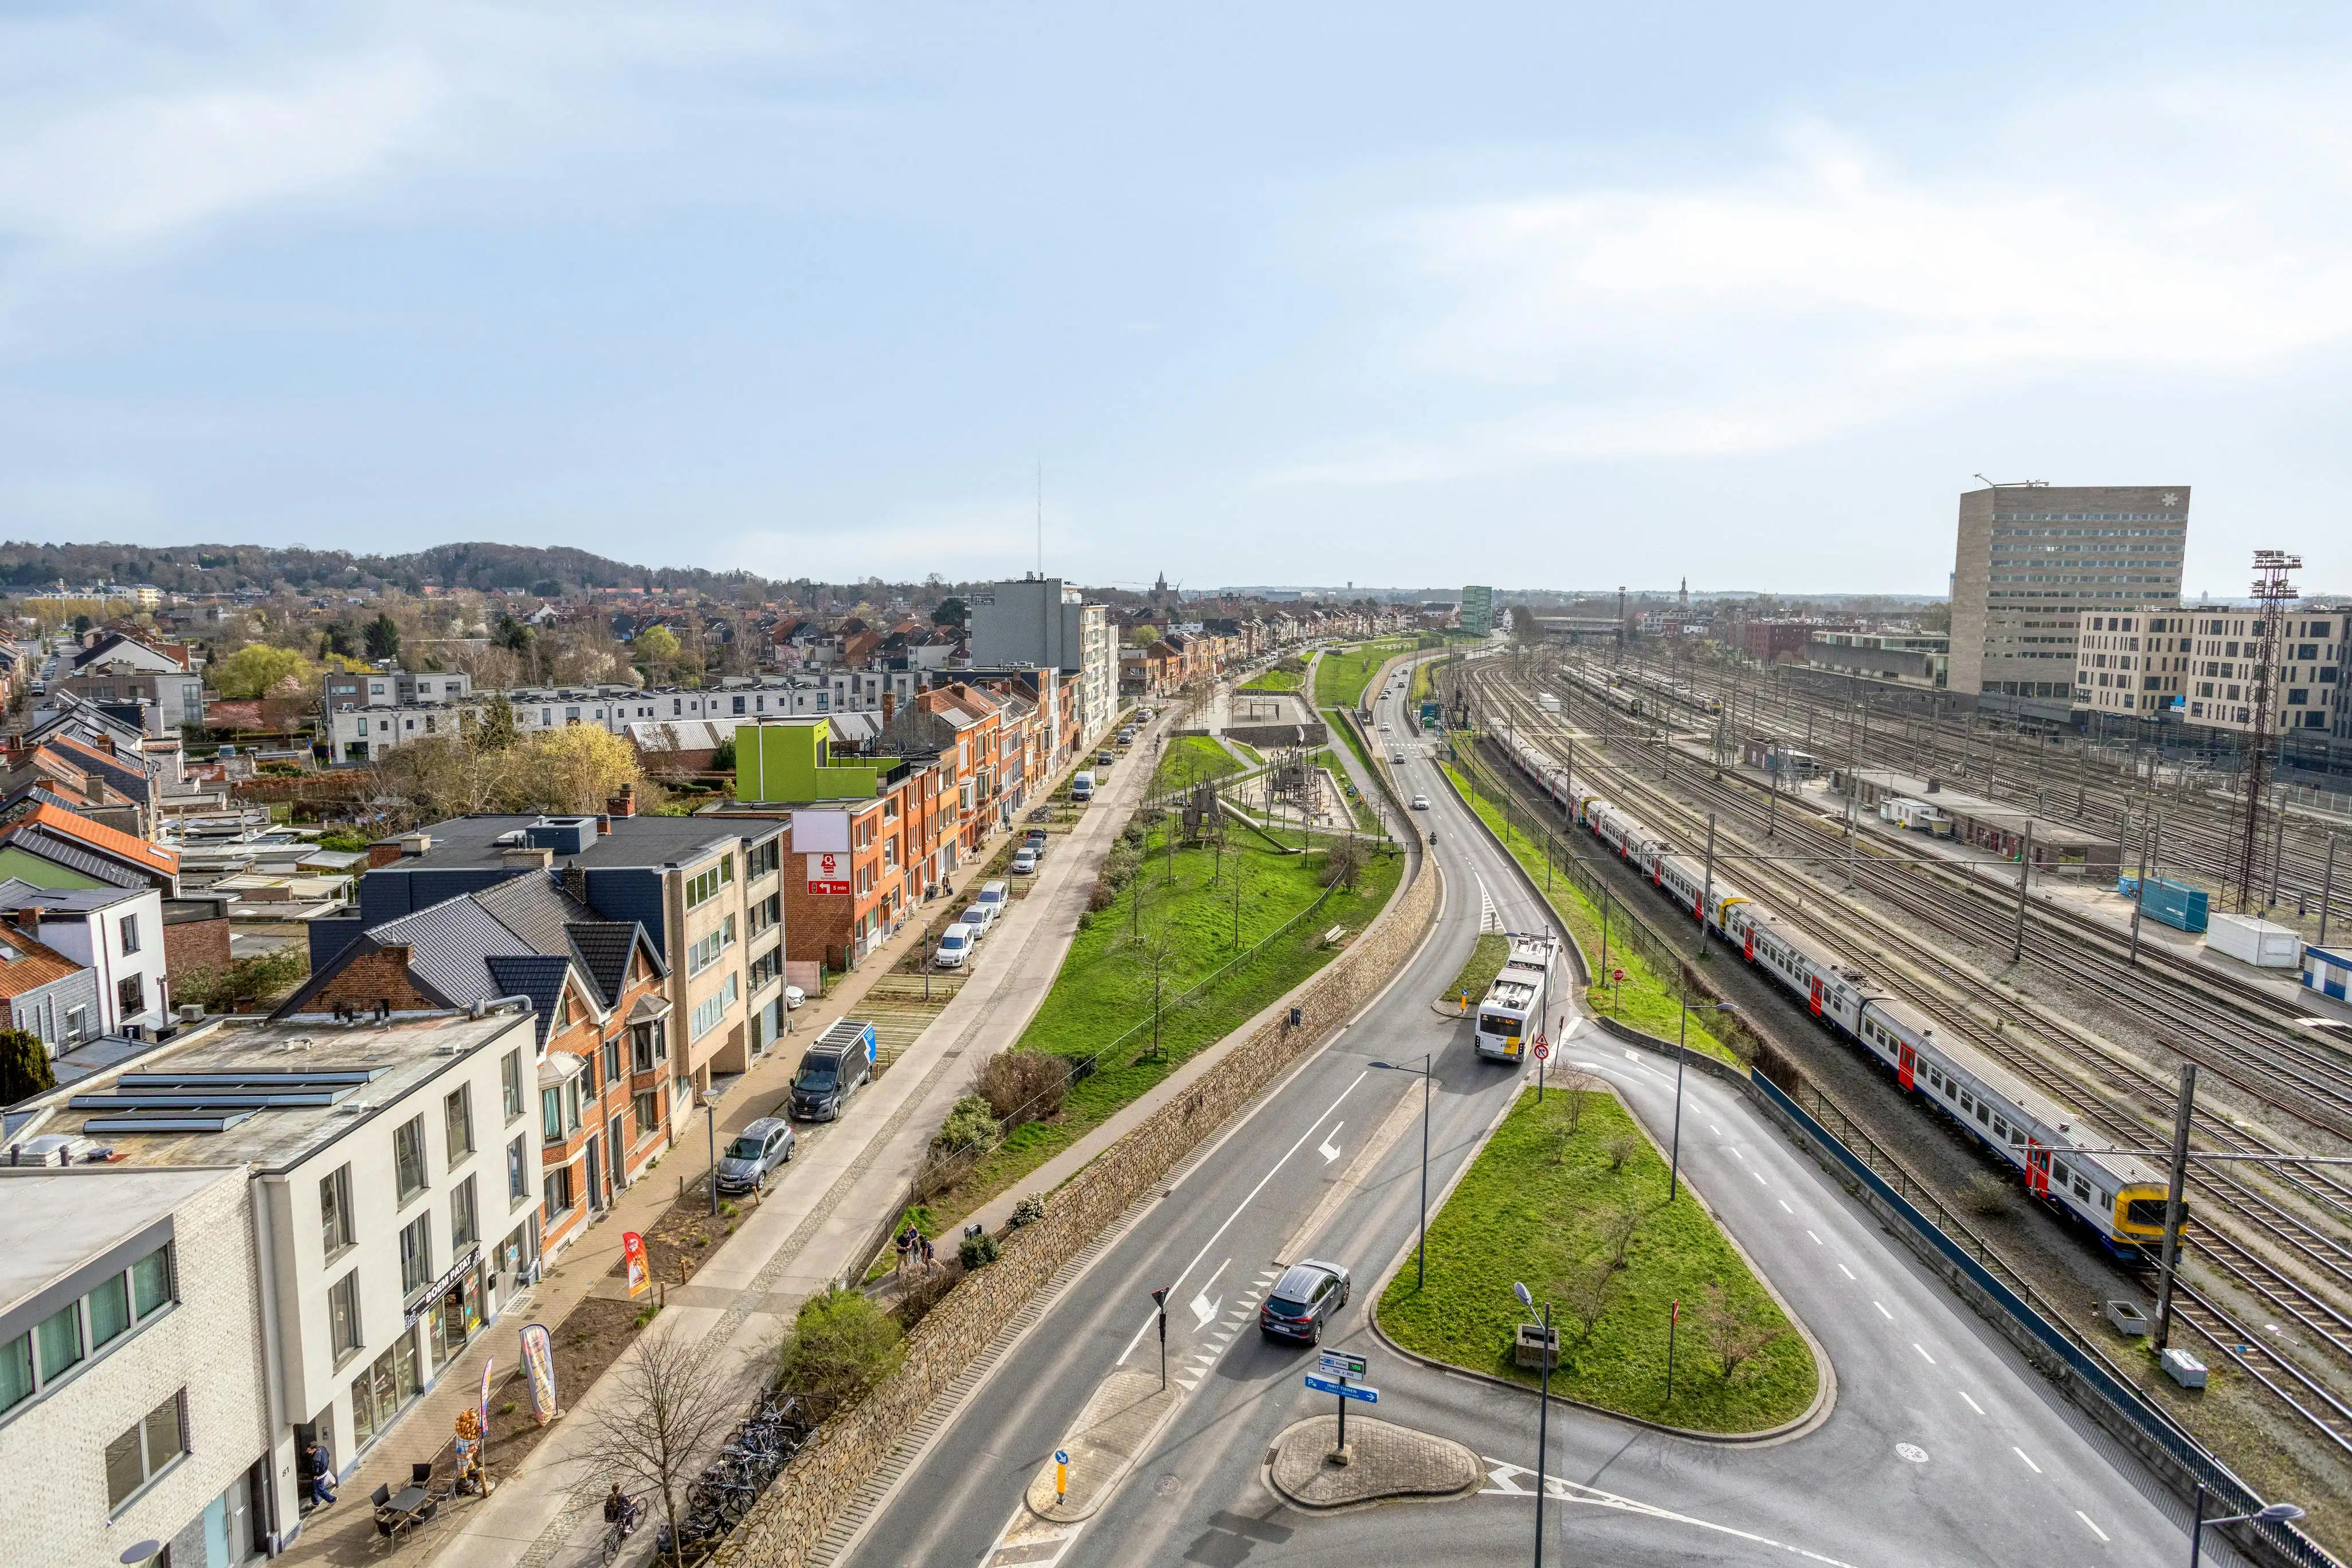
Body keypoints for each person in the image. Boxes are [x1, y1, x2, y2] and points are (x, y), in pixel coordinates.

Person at [305, 1437, 338, 1508]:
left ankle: (333, 1500)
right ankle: (315, 1502)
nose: (307, 1451)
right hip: (324, 1471)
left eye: (309, 1450)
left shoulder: (315, 1459)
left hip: (319, 1476)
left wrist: (315, 1475)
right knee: (314, 1488)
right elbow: (328, 1455)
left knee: (320, 1490)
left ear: (314, 1449)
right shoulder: (322, 1449)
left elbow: (315, 1469)